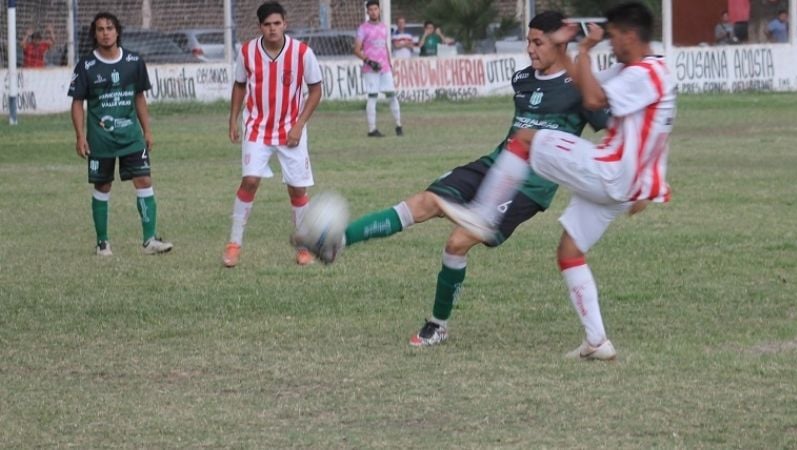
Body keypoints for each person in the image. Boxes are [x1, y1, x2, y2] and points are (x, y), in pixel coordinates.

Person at [298, 11, 608, 347]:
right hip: (496, 164)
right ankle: (337, 242)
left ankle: (438, 325)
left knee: (457, 242)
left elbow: (605, 120)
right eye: (528, 42)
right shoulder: (522, 79)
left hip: (531, 186)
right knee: (425, 201)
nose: (530, 49)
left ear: (560, 42)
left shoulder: (580, 86)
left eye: (538, 43)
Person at [436, 2, 676, 361]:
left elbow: (591, 98)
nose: (611, 44)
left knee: (525, 138)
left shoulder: (644, 74)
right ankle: (597, 341)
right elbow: (584, 84)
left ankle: (484, 215)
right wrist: (571, 50)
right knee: (569, 252)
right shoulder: (645, 71)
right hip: (624, 183)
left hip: (610, 172)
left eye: (613, 37)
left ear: (629, 36)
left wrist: (583, 50)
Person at [222, 1, 323, 268]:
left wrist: (299, 125)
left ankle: (303, 247)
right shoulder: (247, 52)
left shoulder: (302, 53)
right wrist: (233, 119)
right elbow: (239, 85)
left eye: (277, 23)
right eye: (267, 25)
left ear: (285, 24)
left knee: (297, 188)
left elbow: (316, 90)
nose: (272, 29)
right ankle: (234, 244)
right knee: (250, 181)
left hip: (291, 130)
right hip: (257, 127)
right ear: (260, 27)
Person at [68, 12, 173, 256]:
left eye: (110, 28)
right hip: (101, 138)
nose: (105, 33)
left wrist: (147, 130)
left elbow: (139, 97)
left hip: (131, 137)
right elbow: (77, 102)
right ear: (94, 34)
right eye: (100, 29)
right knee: (103, 185)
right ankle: (102, 243)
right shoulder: (86, 65)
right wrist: (80, 136)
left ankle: (150, 240)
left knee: (144, 180)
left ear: (117, 32)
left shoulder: (134, 61)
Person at [354, 0, 403, 137]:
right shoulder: (363, 28)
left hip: (384, 67)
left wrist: (389, 63)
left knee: (392, 95)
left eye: (375, 9)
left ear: (379, 10)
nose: (373, 12)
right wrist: (369, 61)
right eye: (371, 10)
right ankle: (372, 129)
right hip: (371, 69)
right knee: (373, 96)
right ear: (367, 12)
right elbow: (356, 50)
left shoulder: (383, 27)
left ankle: (398, 125)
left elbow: (385, 47)